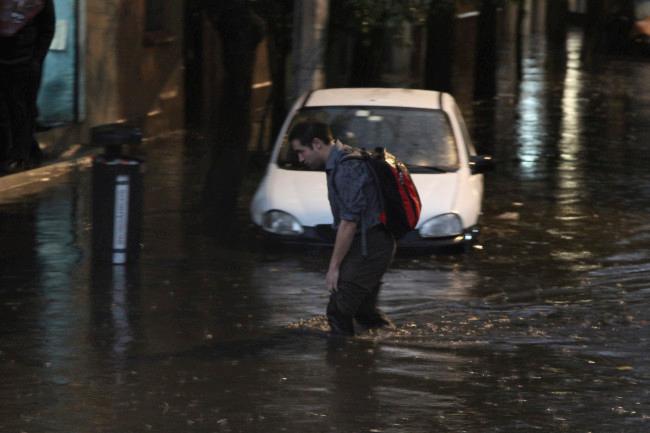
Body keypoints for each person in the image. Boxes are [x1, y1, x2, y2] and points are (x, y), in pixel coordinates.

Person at [288, 122, 396, 336]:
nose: (300, 159)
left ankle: (343, 364)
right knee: (363, 312)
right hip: (371, 244)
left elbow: (349, 222)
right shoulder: (341, 161)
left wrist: (333, 267)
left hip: (371, 247)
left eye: (301, 151)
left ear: (317, 144)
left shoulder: (346, 167)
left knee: (338, 311)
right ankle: (381, 346)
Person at [0, 0, 55, 174]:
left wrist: (36, 59)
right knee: (4, 111)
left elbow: (47, 28)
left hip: (25, 63)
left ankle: (20, 157)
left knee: (21, 110)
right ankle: (15, 153)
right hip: (3, 61)